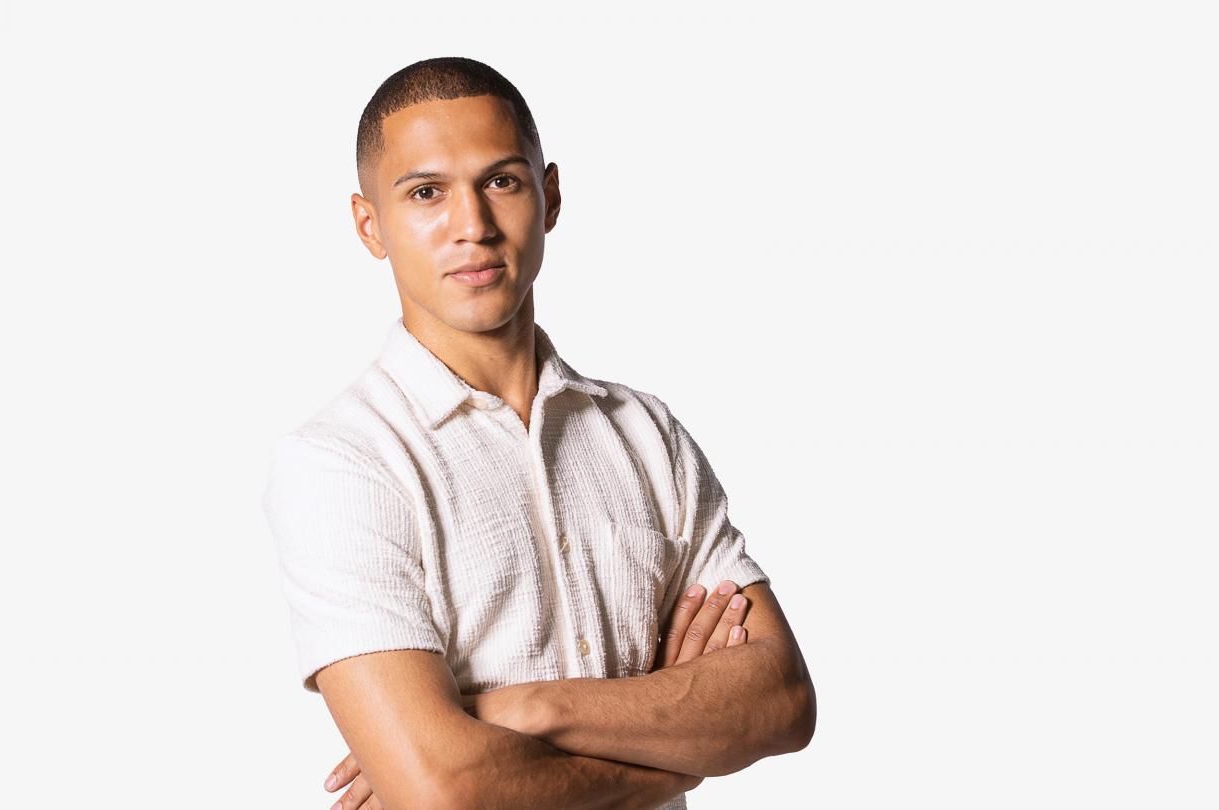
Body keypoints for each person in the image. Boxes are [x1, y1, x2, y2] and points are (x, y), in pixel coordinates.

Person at [261, 56, 816, 809]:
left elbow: (782, 701)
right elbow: (442, 788)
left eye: (501, 181)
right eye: (427, 193)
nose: (473, 226)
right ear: (371, 225)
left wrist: (527, 707)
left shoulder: (646, 434)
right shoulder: (343, 462)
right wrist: (680, 754)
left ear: (548, 195)